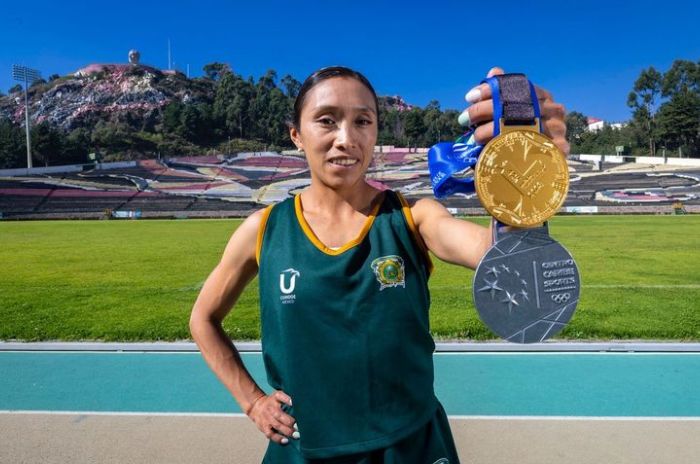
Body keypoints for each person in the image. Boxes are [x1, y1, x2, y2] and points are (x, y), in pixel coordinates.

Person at [189, 65, 569, 463]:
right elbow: (203, 319)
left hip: (411, 447)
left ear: (375, 132)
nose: (346, 138)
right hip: (306, 450)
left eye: (362, 121)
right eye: (326, 120)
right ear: (296, 135)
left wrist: (533, 176)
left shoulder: (413, 218)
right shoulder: (263, 230)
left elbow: (504, 256)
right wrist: (252, 402)